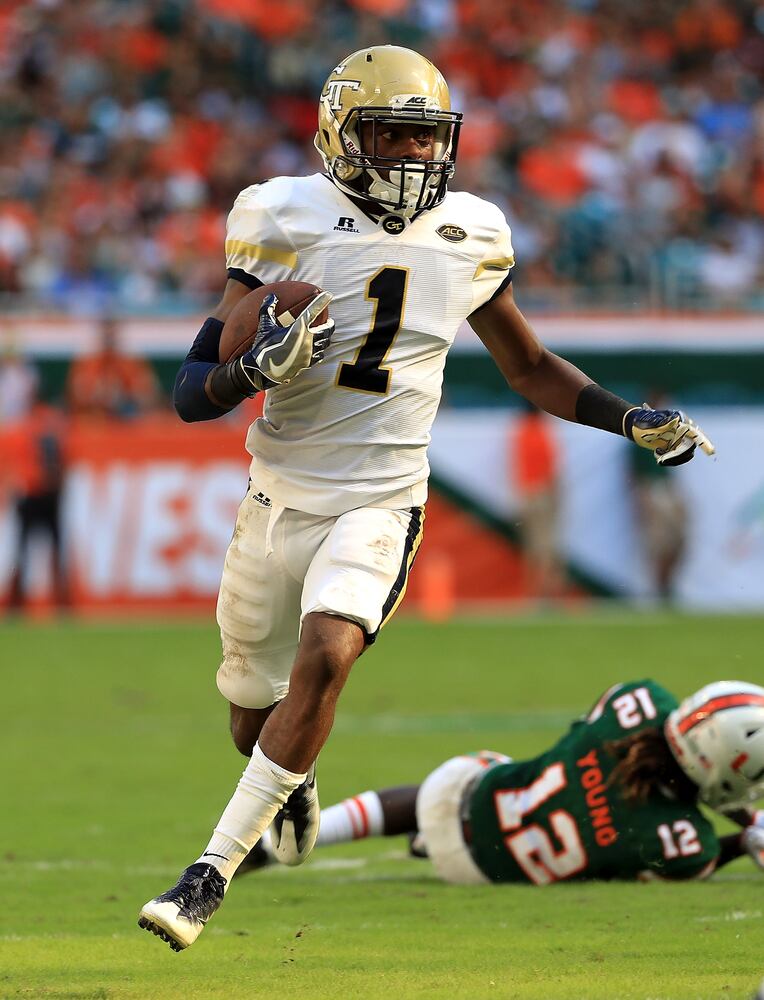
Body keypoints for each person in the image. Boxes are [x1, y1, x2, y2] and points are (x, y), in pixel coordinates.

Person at [139, 45, 715, 951]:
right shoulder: (279, 214)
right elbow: (188, 391)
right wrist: (250, 371)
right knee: (253, 714)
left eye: (426, 137)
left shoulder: (473, 229)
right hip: (278, 495)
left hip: (382, 499)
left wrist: (626, 416)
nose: (414, 154)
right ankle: (295, 777)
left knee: (328, 655)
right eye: (392, 134)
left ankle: (205, 876)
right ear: (341, 133)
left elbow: (529, 365)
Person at [242, 679, 764, 885]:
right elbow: (687, 857)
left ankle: (277, 842)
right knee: (614, 857)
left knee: (494, 770)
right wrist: (747, 834)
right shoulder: (686, 839)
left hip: (466, 796)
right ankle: (427, 842)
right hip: (483, 874)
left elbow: (602, 736)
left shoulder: (640, 701)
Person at [510, 403, 565, 601]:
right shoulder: (542, 431)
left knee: (532, 547)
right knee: (546, 545)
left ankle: (534, 592)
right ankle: (547, 592)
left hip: (527, 494)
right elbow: (550, 469)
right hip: (542, 493)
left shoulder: (522, 431)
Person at [66, 317, 160, 419]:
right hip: (93, 419)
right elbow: (76, 395)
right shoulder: (87, 363)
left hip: (126, 418)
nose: (109, 339)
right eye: (106, 335)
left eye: (112, 334)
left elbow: (148, 394)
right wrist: (99, 395)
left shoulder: (130, 363)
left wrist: (125, 395)